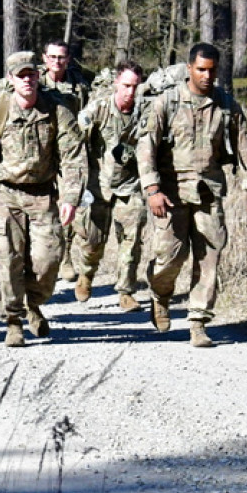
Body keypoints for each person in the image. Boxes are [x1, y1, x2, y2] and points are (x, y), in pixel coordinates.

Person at [136, 42, 247, 347]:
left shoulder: (226, 106)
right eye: (201, 70)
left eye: (212, 70)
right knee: (169, 258)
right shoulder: (166, 103)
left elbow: (245, 150)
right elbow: (147, 148)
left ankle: (198, 321)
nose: (207, 76)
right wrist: (152, 189)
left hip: (209, 192)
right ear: (190, 68)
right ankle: (160, 294)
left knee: (210, 256)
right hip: (170, 194)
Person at [0, 51, 87, 346]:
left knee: (48, 261)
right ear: (11, 79)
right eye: (20, 75)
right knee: (9, 258)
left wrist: (71, 198)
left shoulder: (57, 110)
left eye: (31, 74)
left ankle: (32, 303)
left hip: (43, 195)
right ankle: (13, 320)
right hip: (6, 195)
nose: (27, 80)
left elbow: (73, 156)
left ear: (38, 76)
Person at [72, 60, 147, 312]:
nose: (130, 92)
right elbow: (73, 140)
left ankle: (126, 291)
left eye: (135, 86)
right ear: (116, 83)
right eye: (126, 85)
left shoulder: (146, 113)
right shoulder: (98, 109)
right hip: (98, 187)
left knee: (131, 239)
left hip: (130, 187)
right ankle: (86, 275)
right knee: (93, 242)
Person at [38, 39, 92, 282]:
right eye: (52, 57)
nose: (56, 62)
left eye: (61, 57)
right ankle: (42, 257)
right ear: (44, 58)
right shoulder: (36, 83)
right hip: (40, 152)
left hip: (69, 153)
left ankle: (66, 257)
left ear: (68, 59)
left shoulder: (79, 86)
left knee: (69, 204)